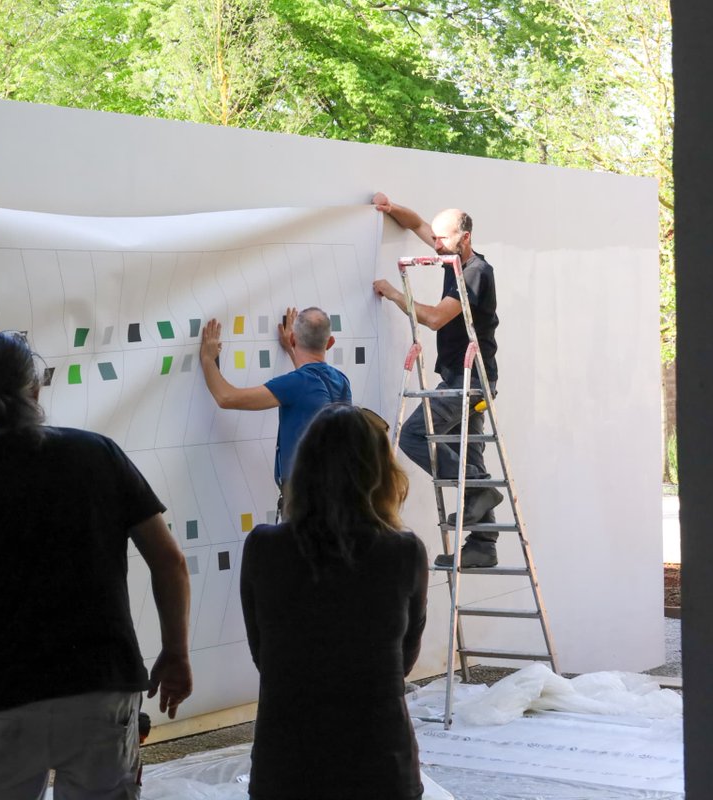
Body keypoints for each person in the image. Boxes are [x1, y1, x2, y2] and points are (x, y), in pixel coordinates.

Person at [0, 332, 193, 800]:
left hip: (8, 698)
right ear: (36, 390)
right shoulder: (99, 455)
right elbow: (168, 560)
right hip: (103, 688)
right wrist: (176, 650)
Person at [240, 403, 427, 800]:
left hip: (287, 760)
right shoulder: (404, 552)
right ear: (381, 474)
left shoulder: (263, 547)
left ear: (304, 470)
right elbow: (404, 659)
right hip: (379, 759)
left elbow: (264, 652)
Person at [372, 193, 502, 568]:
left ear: (465, 237)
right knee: (470, 459)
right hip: (460, 378)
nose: (436, 244)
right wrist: (391, 207)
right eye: (437, 238)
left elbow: (433, 319)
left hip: (470, 382)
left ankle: (477, 493)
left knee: (413, 434)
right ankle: (484, 546)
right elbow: (416, 224)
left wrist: (394, 293)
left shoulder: (476, 272)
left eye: (443, 239)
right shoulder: (450, 256)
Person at [199, 307, 352, 494]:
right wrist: (290, 348)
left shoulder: (295, 384)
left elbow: (226, 398)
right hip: (337, 487)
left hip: (304, 495)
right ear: (330, 342)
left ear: (294, 338)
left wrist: (207, 359)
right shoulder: (341, 380)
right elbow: (310, 384)